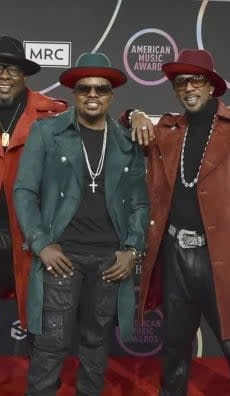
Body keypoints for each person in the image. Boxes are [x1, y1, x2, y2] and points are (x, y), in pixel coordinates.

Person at [128, 49, 230, 396]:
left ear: (211, 86)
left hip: (223, 255)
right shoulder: (169, 128)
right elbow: (124, 126)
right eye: (180, 83)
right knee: (175, 346)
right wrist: (132, 113)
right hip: (175, 252)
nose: (188, 88)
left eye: (196, 80)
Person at [14, 53, 149, 396]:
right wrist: (41, 243)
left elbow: (139, 203)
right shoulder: (47, 132)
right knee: (51, 342)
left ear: (111, 95)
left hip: (108, 259)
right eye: (84, 88)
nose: (92, 94)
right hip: (63, 255)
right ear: (74, 92)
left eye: (100, 89)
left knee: (96, 342)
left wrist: (133, 249)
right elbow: (25, 191)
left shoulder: (125, 142)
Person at [0, 36, 68, 393]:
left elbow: (94, 129)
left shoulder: (54, 113)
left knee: (41, 317)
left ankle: (41, 389)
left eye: (13, 68)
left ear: (25, 73)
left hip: (36, 238)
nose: (4, 75)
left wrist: (132, 116)